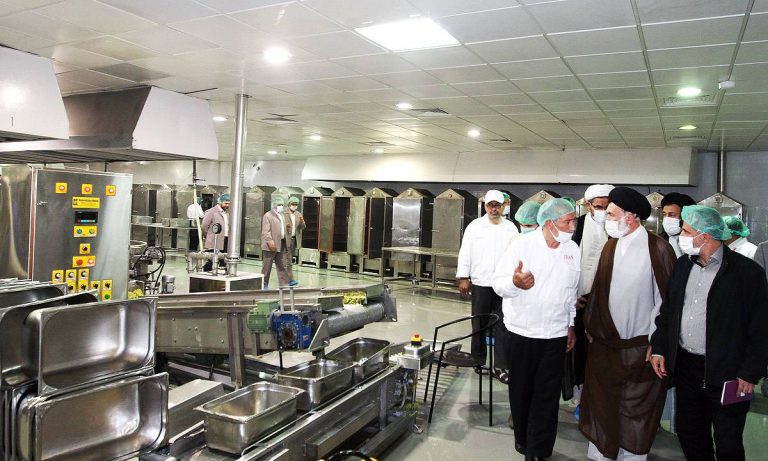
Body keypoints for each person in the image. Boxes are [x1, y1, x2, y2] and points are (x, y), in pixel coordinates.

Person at [650, 205, 768, 461]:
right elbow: (668, 312)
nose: (681, 235)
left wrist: (750, 372)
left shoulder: (747, 273)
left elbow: (760, 327)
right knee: (690, 433)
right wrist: (659, 347)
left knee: (728, 442)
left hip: (730, 373)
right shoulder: (683, 266)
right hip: (687, 368)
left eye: (686, 231)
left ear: (705, 236)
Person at [579, 187, 676, 461]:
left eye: (611, 214)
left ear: (630, 216)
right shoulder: (611, 246)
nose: (607, 219)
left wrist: (658, 342)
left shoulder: (658, 249)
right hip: (605, 348)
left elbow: (666, 303)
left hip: (639, 350)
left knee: (635, 411)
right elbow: (599, 293)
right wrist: (592, 327)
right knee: (603, 405)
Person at [492, 198, 579, 461]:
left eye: (574, 221)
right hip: (523, 333)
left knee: (548, 395)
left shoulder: (572, 249)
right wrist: (515, 283)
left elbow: (571, 292)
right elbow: (499, 283)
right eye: (567, 222)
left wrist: (571, 324)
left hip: (555, 334)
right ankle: (523, 439)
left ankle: (539, 450)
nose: (573, 226)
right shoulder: (522, 245)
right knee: (522, 391)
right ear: (549, 223)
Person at [457, 190, 519, 379]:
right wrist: (463, 277)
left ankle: (500, 366)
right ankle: (477, 359)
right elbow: (465, 252)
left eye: (497, 205)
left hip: (503, 283)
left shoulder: (510, 228)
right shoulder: (475, 227)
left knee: (503, 325)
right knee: (479, 323)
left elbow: (517, 254)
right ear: (485, 206)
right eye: (490, 205)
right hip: (481, 282)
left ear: (503, 206)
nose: (493, 209)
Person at [571, 184, 614, 407]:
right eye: (599, 207)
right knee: (581, 351)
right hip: (580, 300)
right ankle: (581, 398)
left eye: (607, 207)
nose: (603, 212)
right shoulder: (575, 227)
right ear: (588, 206)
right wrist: (572, 296)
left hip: (609, 302)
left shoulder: (617, 228)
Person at [261, 197, 291, 288]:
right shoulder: (268, 215)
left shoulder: (282, 215)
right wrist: (270, 241)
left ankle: (284, 283)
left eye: (282, 205)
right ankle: (264, 284)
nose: (281, 206)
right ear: (274, 205)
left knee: (282, 264)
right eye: (279, 205)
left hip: (281, 243)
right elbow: (266, 231)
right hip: (270, 245)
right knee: (267, 266)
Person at [660, 192, 697, 257]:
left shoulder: (698, 240)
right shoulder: (658, 241)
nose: (667, 219)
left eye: (672, 215)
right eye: (664, 214)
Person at [201, 193, 230, 271]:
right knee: (212, 260)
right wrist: (209, 236)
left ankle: (222, 276)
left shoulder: (226, 213)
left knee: (224, 260)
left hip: (225, 239)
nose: (227, 205)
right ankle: (205, 274)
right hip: (214, 240)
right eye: (225, 203)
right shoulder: (211, 212)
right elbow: (204, 226)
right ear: (220, 202)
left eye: (228, 204)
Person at [283, 196, 305, 287]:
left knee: (289, 260)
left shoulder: (298, 214)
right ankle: (289, 279)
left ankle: (288, 279)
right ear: (289, 204)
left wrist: (302, 222)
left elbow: (303, 227)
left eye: (296, 204)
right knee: (287, 260)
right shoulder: (284, 213)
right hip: (285, 240)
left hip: (293, 240)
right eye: (293, 204)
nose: (294, 206)